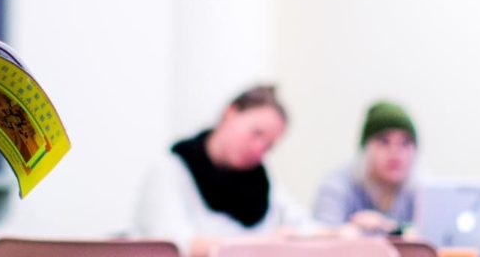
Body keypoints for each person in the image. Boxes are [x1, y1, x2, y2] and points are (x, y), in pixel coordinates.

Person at [134, 85, 322, 257]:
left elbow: (303, 225)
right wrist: (262, 245)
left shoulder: (263, 180)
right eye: (256, 133)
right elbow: (173, 244)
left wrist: (342, 232)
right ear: (231, 113)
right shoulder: (170, 171)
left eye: (269, 146)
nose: (259, 149)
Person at [313, 100, 418, 235]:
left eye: (405, 143)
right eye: (384, 141)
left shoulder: (422, 191)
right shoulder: (337, 186)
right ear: (365, 148)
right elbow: (320, 240)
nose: (395, 152)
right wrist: (350, 230)